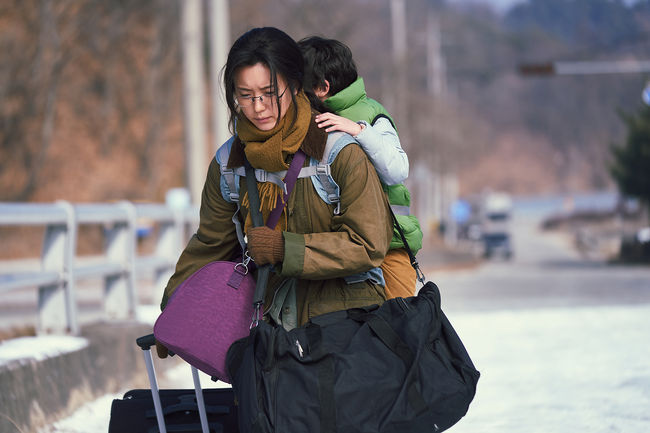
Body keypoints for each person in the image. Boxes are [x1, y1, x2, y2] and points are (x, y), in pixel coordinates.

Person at [156, 27, 392, 358]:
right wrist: (173, 314)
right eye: (246, 95)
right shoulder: (228, 163)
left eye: (269, 93)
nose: (259, 107)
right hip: (268, 326)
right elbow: (210, 246)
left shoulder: (338, 151)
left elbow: (368, 244)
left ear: (295, 85)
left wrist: (285, 249)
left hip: (346, 328)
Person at [298, 36, 424, 299]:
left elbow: (398, 169)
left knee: (400, 328)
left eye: (299, 84)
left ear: (322, 87)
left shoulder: (370, 114)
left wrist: (358, 131)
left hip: (391, 247)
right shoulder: (309, 119)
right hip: (344, 249)